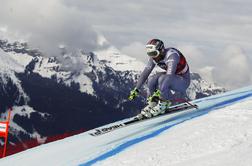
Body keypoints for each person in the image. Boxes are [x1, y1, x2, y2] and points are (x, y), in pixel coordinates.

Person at [128, 39, 190, 118]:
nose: (152, 57)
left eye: (154, 53)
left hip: (183, 81)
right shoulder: (154, 57)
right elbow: (145, 73)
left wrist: (160, 93)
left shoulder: (172, 56)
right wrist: (136, 89)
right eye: (150, 54)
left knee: (162, 79)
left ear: (161, 50)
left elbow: (169, 76)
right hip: (173, 78)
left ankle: (163, 103)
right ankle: (154, 103)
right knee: (151, 79)